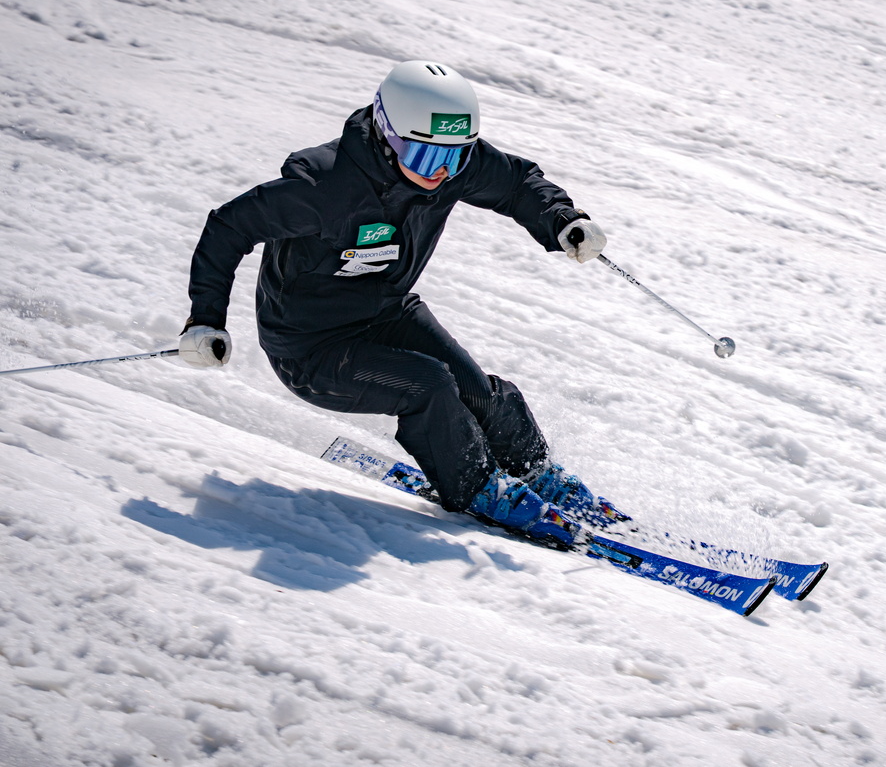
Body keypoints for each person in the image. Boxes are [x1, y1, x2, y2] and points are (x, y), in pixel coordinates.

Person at [178, 60, 625, 547]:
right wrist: (206, 320)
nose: (441, 174)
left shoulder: (451, 164)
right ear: (385, 133)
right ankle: (479, 489)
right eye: (425, 156)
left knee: (481, 393)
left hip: (387, 310)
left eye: (454, 158)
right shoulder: (323, 188)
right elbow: (229, 227)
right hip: (310, 348)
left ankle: (538, 475)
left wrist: (561, 219)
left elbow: (516, 184)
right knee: (430, 385)